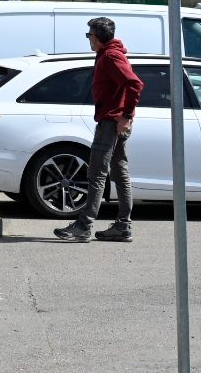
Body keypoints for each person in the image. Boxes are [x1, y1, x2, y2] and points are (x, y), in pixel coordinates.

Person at [55, 16, 144, 243]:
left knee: (96, 173)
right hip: (114, 121)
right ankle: (123, 226)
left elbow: (134, 84)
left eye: (89, 36)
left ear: (96, 37)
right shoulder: (109, 54)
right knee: (119, 172)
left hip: (111, 122)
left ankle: (84, 225)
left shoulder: (111, 56)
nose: (88, 40)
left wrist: (125, 115)